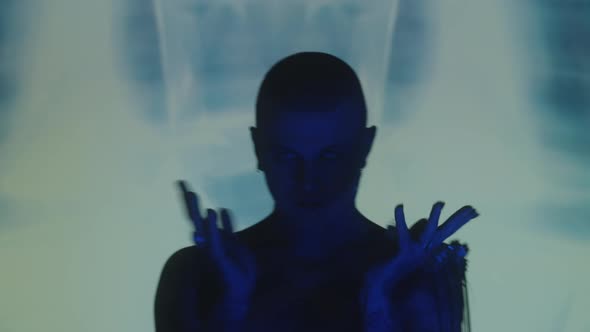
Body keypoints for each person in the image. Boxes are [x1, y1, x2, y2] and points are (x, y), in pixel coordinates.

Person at [154, 52, 478, 332]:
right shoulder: (194, 275)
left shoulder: (420, 277)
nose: (308, 180)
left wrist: (387, 302)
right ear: (258, 148)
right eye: (287, 157)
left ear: (365, 147)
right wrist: (230, 305)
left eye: (330, 156)